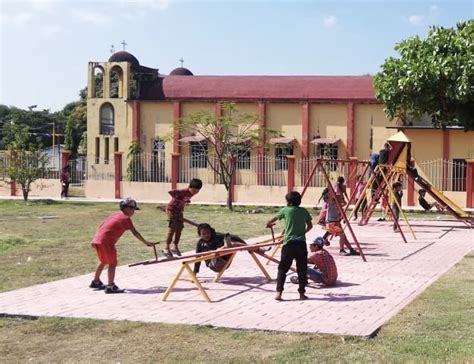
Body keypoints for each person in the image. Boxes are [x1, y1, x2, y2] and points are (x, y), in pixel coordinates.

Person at [89, 198, 153, 294]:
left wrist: (95, 239)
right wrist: (146, 242)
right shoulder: (125, 219)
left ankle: (96, 282)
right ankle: (110, 287)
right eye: (132, 209)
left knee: (103, 261)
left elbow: (100, 226)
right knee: (112, 263)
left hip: (98, 240)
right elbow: (135, 233)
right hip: (107, 242)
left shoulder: (114, 215)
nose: (133, 211)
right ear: (126, 208)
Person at [266, 191, 313, 301]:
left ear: (289, 202)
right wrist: (302, 233)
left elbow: (270, 221)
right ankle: (301, 294)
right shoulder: (304, 211)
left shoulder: (285, 210)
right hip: (301, 244)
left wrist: (269, 224)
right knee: (302, 269)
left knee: (282, 268)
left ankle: (279, 293)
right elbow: (310, 226)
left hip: (288, 244)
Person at [164, 178, 203, 258]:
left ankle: (175, 246)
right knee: (172, 228)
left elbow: (185, 199)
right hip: (171, 210)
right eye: (194, 190)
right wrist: (180, 199)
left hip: (179, 211)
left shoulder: (191, 193)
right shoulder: (184, 191)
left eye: (197, 191)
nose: (195, 193)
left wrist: (186, 201)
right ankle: (166, 248)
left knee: (179, 228)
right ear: (189, 187)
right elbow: (171, 192)